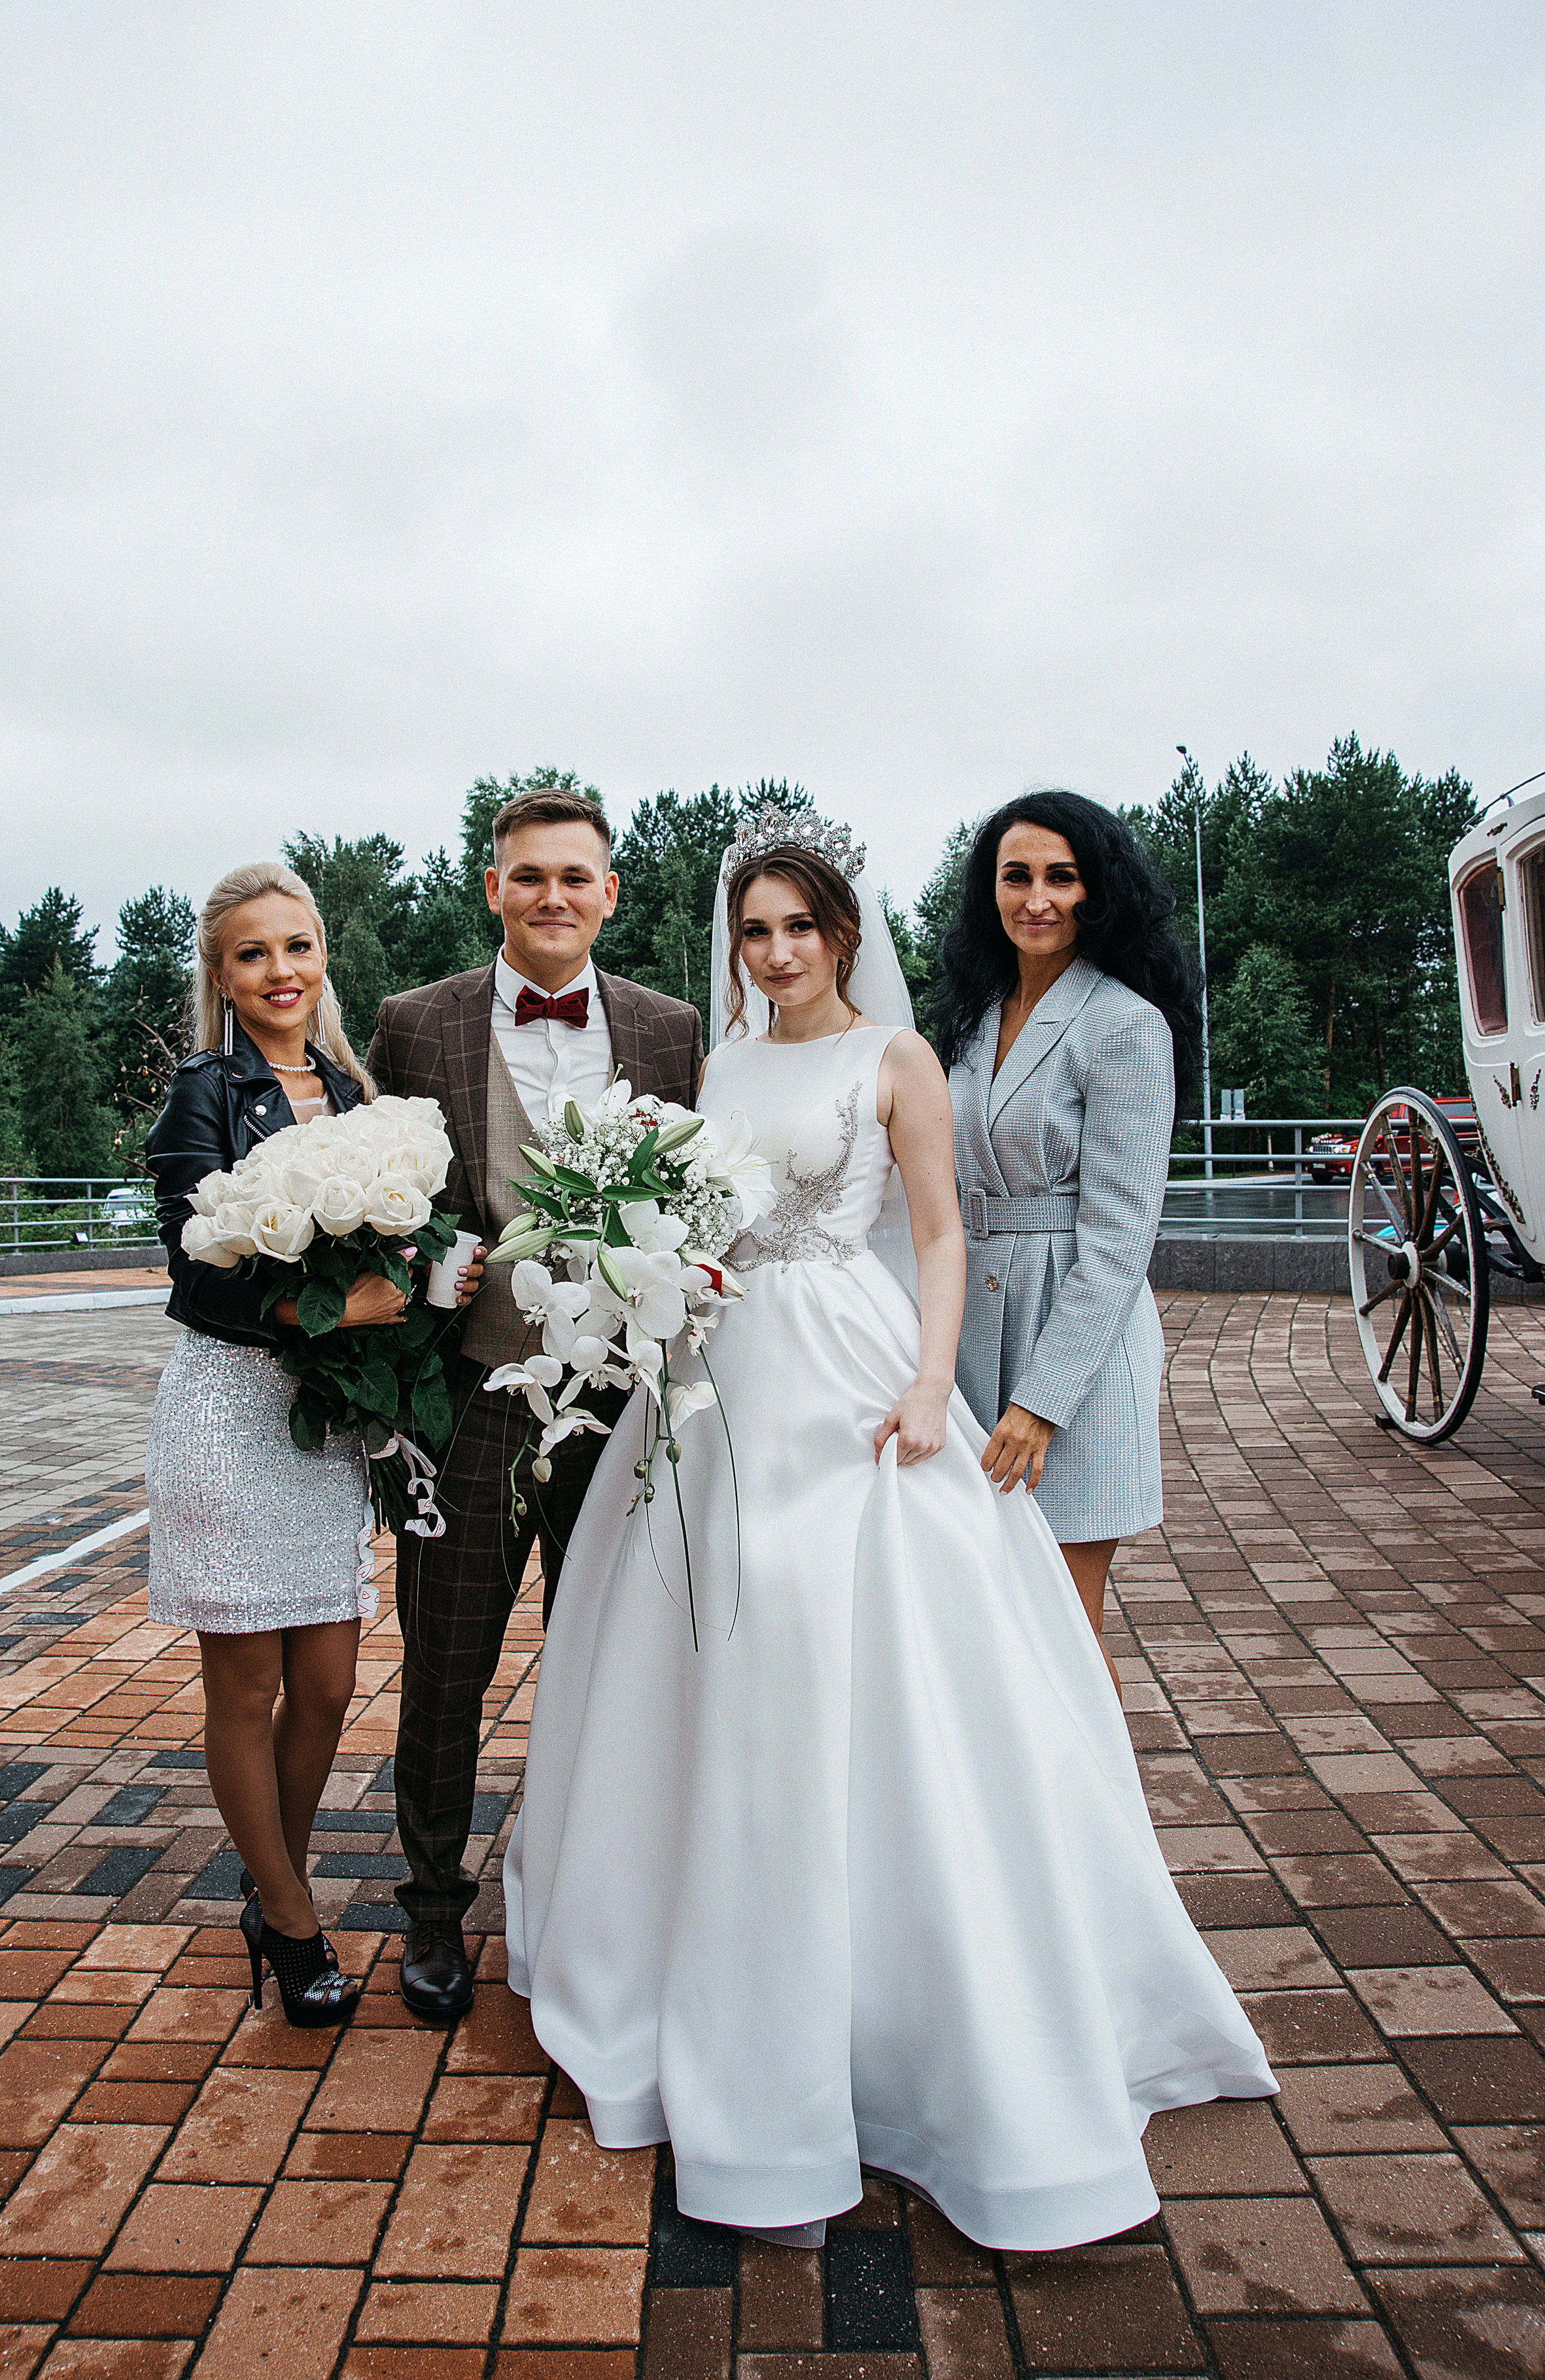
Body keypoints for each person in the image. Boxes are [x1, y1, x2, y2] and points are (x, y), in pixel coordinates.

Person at [504, 804, 1274, 2252]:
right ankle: (683, 1937)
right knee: (698, 1640)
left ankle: (911, 1993)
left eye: (800, 925)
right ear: (732, 943)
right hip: (717, 1374)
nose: (778, 950)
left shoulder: (898, 1056)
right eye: (754, 929)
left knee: (877, 1645)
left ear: (842, 933)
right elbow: (697, 1220)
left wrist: (931, 1383)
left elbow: (936, 1234)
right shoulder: (719, 1062)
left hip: (854, 1373)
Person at [366, 785, 703, 2027]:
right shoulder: (414, 1025)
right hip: (468, 1401)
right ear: (493, 888)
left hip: (620, 1404)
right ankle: (434, 1912)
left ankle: (595, 1904)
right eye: (528, 876)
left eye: (576, 876)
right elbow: (382, 1207)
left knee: (610, 1665)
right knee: (446, 1668)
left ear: (611, 893)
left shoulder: (672, 1033)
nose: (552, 896)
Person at [144, 859, 476, 2028]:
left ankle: (265, 1886)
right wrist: (317, 1311)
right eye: (251, 953)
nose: (279, 972)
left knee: (328, 1684)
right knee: (245, 1681)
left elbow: (387, 1246)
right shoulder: (203, 1091)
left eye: (296, 947)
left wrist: (423, 1279)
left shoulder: (354, 1086)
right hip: (233, 1407)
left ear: (321, 955)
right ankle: (290, 1920)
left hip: (324, 1420)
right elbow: (195, 1271)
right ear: (221, 975)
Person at [933, 793, 1201, 1695]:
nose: (1037, 898)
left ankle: (1096, 1836)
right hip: (976, 1335)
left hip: (1076, 1362)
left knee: (1064, 1629)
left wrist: (1045, 1401)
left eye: (1062, 876)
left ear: (1097, 891)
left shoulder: (1124, 1024)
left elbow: (1123, 1240)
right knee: (987, 1617)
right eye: (1017, 876)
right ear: (991, 891)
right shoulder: (971, 1021)